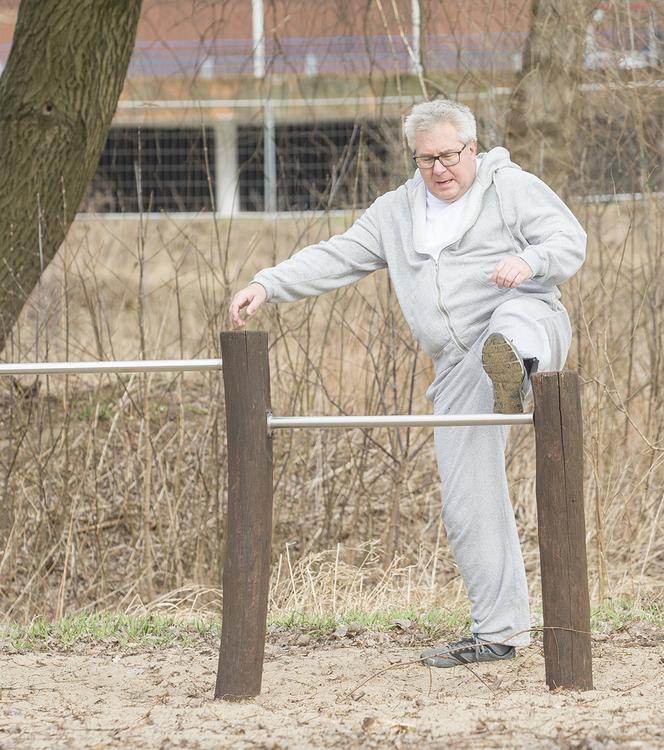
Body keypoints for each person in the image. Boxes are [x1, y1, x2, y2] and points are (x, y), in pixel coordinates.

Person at [229, 99, 586, 668]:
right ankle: (498, 633)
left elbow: (569, 240)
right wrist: (267, 285)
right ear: (414, 159)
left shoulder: (511, 187)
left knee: (515, 319)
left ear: (472, 148)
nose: (440, 169)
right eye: (426, 160)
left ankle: (516, 367)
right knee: (469, 499)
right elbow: (337, 255)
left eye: (449, 156)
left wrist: (531, 261)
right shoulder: (395, 213)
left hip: (530, 316)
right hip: (458, 366)